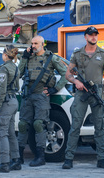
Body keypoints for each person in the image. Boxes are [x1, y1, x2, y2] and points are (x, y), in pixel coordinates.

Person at [62, 26, 104, 169]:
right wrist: (76, 81)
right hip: (81, 93)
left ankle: (101, 158)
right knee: (75, 126)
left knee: (99, 126)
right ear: (85, 37)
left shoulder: (103, 54)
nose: (94, 37)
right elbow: (68, 74)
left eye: (95, 35)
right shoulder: (78, 54)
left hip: (96, 91)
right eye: (91, 35)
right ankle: (68, 158)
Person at [18, 35, 67, 167]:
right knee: (23, 124)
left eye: (36, 43)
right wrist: (24, 58)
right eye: (32, 43)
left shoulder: (51, 58)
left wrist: (55, 89)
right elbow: (18, 74)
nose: (33, 46)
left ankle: (40, 157)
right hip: (28, 94)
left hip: (41, 95)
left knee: (39, 124)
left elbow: (66, 74)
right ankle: (19, 156)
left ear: (42, 44)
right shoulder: (28, 57)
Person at [0, 45, 21, 173]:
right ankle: (16, 160)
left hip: (6, 103)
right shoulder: (15, 67)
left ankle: (4, 163)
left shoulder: (4, 68)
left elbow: (1, 90)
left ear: (5, 54)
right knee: (11, 132)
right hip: (14, 100)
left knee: (2, 132)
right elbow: (17, 86)